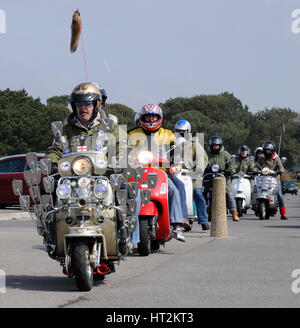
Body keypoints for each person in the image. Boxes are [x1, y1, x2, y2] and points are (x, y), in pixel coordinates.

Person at [45, 82, 141, 247]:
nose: (83, 108)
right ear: (73, 106)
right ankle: (53, 239)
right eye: (78, 104)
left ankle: (126, 236)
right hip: (73, 179)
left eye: (87, 103)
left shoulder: (111, 127)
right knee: (46, 189)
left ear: (96, 105)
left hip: (105, 176)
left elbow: (123, 146)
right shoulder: (67, 130)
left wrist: (120, 160)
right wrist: (50, 162)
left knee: (130, 190)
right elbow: (56, 150)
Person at [128, 104, 186, 242]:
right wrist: (130, 158)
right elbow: (125, 151)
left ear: (159, 118)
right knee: (124, 191)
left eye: (153, 116)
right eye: (147, 116)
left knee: (173, 190)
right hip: (138, 172)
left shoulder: (168, 134)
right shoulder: (132, 134)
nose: (150, 119)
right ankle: (122, 224)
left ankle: (176, 226)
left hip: (161, 172)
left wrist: (162, 160)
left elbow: (174, 154)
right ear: (142, 118)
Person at [174, 119, 210, 231]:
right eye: (179, 131)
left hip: (192, 175)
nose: (181, 133)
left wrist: (198, 169)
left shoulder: (195, 144)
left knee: (198, 194)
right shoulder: (172, 143)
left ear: (188, 131)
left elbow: (202, 158)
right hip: (176, 173)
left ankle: (203, 220)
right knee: (174, 194)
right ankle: (181, 220)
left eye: (183, 131)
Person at [206, 136, 240, 222]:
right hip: (209, 177)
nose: (215, 147)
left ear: (220, 145)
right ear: (211, 146)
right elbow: (202, 162)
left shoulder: (225, 154)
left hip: (223, 177)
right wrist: (202, 168)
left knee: (228, 194)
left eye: (217, 145)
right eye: (213, 145)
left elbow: (231, 164)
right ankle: (200, 212)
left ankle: (234, 213)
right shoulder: (207, 154)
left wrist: (230, 170)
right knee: (202, 192)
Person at [257, 141, 287, 220]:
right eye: (266, 150)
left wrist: (280, 171)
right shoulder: (261, 157)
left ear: (272, 150)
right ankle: (255, 206)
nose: (267, 151)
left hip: (274, 179)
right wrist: (255, 170)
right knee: (255, 190)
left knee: (280, 196)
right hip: (263, 179)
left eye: (269, 150)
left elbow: (281, 168)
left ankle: (283, 213)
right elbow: (256, 166)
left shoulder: (276, 158)